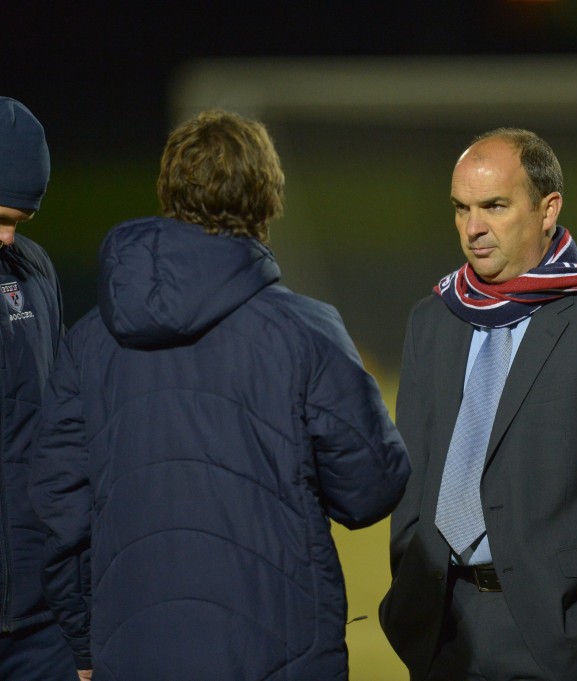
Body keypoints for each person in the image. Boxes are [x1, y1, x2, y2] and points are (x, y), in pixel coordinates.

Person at [30, 110, 411, 680]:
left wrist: (86, 647)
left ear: (168, 190)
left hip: (134, 654)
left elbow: (59, 511)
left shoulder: (88, 342)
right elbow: (369, 490)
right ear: (266, 199)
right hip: (282, 656)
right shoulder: (307, 331)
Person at [379, 128, 577, 681]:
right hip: (441, 627)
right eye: (461, 209)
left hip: (569, 632)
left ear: (547, 207)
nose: (473, 228)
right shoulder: (434, 317)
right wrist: (411, 585)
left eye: (494, 206)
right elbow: (415, 473)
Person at [0, 97, 77, 680]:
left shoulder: (36, 271)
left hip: (40, 616)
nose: (7, 237)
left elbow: (63, 430)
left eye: (18, 222)